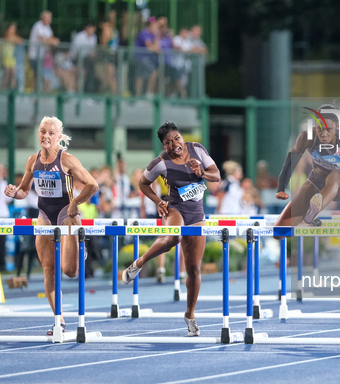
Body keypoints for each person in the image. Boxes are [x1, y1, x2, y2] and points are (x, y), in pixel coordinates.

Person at [121, 121, 220, 336]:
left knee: (193, 269)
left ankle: (190, 315)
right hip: (175, 208)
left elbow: (217, 176)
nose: (174, 143)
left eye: (176, 138)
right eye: (168, 142)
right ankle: (139, 263)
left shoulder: (198, 150)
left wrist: (201, 172)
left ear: (182, 137)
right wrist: (158, 201)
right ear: (164, 146)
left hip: (197, 214)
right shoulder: (161, 162)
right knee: (172, 238)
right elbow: (143, 183)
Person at [3, 116, 99, 334]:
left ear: (59, 137)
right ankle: (60, 319)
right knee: (49, 270)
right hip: (44, 214)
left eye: (50, 133)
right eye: (42, 131)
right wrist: (13, 192)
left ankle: (78, 250)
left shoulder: (68, 160)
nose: (45, 136)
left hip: (67, 213)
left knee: (70, 271)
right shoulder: (32, 160)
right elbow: (25, 191)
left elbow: (92, 185)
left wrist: (76, 202)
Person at [274, 103, 340, 227]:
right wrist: (281, 188)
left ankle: (314, 210)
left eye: (329, 129)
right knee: (280, 229)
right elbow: (290, 162)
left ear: (337, 127)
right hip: (316, 181)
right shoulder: (307, 137)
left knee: (335, 174)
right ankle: (310, 216)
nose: (324, 134)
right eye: (320, 128)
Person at [28, 11, 60, 92]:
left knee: (37, 75)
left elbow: (51, 37)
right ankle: (38, 94)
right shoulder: (38, 26)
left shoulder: (47, 27)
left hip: (41, 55)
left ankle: (36, 93)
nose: (49, 20)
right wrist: (52, 41)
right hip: (34, 55)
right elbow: (43, 39)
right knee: (41, 77)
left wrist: (53, 40)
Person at [134, 21, 161, 97]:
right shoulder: (144, 33)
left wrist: (157, 36)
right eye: (155, 27)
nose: (156, 29)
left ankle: (141, 95)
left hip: (146, 59)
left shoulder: (153, 35)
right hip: (140, 58)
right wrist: (155, 48)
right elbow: (149, 47)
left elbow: (157, 48)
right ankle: (146, 94)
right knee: (152, 73)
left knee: (141, 76)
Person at [71, 22, 97, 93]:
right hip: (76, 59)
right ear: (87, 28)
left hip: (87, 60)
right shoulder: (79, 37)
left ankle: (89, 91)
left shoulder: (94, 37)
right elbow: (76, 52)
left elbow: (93, 51)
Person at [1, 23, 23, 90]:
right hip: (5, 57)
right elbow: (7, 38)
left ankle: (12, 89)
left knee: (13, 74)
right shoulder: (6, 37)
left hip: (11, 58)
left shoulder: (14, 37)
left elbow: (20, 41)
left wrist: (14, 37)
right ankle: (3, 88)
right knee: (7, 73)